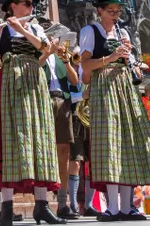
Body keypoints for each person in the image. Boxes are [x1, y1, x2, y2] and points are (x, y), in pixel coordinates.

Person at [79, 0, 150, 222]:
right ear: (100, 11)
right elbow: (85, 67)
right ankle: (112, 208)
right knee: (110, 145)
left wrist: (131, 61)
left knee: (128, 143)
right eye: (111, 10)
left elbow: (131, 66)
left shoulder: (123, 33)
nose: (115, 14)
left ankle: (127, 207)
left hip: (124, 87)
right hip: (104, 87)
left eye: (117, 10)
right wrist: (111, 58)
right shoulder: (90, 31)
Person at [0, 0, 64, 226]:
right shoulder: (1, 28)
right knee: (11, 140)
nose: (31, 7)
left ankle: (42, 206)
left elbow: (44, 48)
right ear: (12, 7)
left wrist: (23, 30)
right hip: (11, 82)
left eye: (31, 4)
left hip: (34, 82)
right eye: (27, 4)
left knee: (40, 139)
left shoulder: (35, 26)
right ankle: (6, 209)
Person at [44, 40, 80, 220]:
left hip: (62, 101)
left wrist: (65, 60)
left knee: (64, 151)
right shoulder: (39, 56)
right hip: (43, 100)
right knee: (43, 151)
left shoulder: (61, 59)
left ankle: (62, 203)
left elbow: (74, 81)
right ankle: (42, 202)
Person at [65, 56, 89, 218]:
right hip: (74, 118)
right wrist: (83, 95)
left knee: (90, 162)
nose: (78, 61)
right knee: (75, 161)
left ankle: (88, 204)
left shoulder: (87, 73)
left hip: (89, 119)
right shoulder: (67, 74)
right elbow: (66, 97)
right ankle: (72, 202)